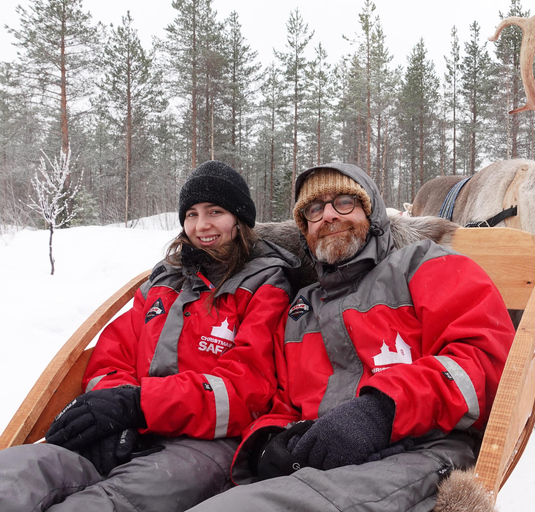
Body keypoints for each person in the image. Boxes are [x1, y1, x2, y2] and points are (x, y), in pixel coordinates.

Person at [187, 163, 516, 512]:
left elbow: (485, 361)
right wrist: (270, 440)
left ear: (371, 214)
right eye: (314, 209)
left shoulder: (427, 265)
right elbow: (283, 399)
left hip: (423, 453)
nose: (328, 215)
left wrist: (380, 412)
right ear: (305, 228)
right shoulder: (301, 308)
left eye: (344, 202)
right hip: (324, 467)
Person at [0, 161, 299, 512]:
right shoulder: (162, 283)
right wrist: (111, 414)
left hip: (206, 443)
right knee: (15, 475)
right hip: (129, 429)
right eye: (191, 213)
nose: (201, 225)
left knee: (104, 504)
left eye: (215, 211)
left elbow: (246, 392)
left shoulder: (265, 286)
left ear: (240, 219)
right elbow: (111, 357)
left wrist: (139, 405)